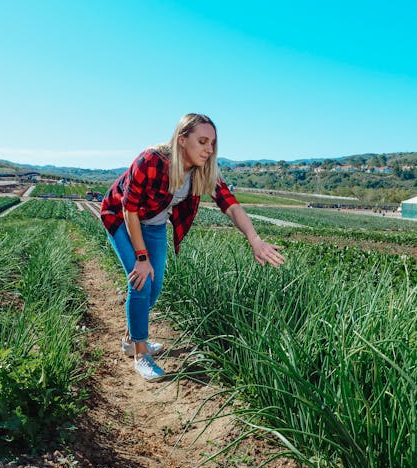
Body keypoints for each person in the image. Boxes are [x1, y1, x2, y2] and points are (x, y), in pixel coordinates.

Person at [100, 113, 285, 382]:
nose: (209, 149)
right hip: (121, 217)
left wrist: (255, 240)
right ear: (181, 139)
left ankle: (131, 337)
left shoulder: (204, 169)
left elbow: (229, 204)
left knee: (156, 284)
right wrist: (141, 257)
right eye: (203, 142)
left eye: (212, 143)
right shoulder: (151, 160)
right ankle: (141, 354)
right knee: (141, 281)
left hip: (154, 224)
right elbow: (129, 209)